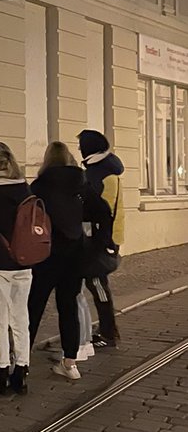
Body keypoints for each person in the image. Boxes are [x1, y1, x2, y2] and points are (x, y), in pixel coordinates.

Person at [28, 141, 87, 381]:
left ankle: (21, 361)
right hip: (75, 253)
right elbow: (101, 210)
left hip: (47, 253)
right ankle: (70, 362)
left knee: (34, 306)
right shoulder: (81, 184)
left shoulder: (39, 186)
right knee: (69, 307)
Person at [0, 147, 32, 395]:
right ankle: (21, 370)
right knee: (21, 318)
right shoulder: (25, 189)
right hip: (23, 260)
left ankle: (1, 371)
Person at [78, 129, 124, 348]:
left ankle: (108, 331)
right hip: (103, 237)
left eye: (81, 146)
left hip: (101, 239)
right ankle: (107, 328)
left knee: (97, 283)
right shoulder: (103, 170)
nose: (79, 149)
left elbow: (103, 212)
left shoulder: (102, 175)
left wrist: (101, 243)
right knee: (97, 283)